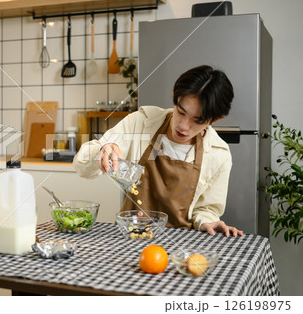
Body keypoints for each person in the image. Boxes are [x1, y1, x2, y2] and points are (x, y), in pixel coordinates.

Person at [73, 65, 244, 237]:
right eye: (180, 111)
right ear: (174, 95)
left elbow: (205, 209)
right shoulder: (141, 122)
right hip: (130, 238)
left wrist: (207, 221)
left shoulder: (219, 154)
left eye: (197, 121)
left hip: (183, 244)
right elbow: (81, 166)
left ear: (216, 119)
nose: (183, 126)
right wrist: (102, 151)